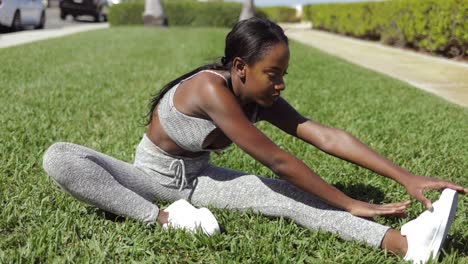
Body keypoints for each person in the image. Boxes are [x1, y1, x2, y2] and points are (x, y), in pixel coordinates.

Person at [42, 17, 467, 263]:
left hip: (199, 177)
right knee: (60, 157)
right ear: (241, 66)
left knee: (286, 198)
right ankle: (164, 219)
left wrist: (406, 176)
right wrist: (348, 200)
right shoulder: (210, 91)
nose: (280, 84)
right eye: (274, 74)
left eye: (284, 74)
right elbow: (278, 159)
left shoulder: (256, 94)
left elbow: (324, 135)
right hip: (150, 178)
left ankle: (405, 245)